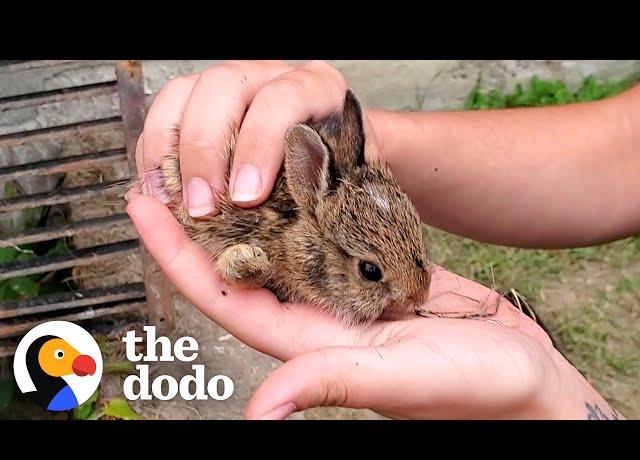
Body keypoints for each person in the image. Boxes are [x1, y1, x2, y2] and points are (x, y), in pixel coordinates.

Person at [125, 60, 640, 420]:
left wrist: (547, 399)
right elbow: (622, 149)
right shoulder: (303, 239)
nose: (416, 295)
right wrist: (374, 137)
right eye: (372, 272)